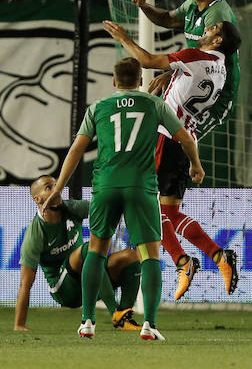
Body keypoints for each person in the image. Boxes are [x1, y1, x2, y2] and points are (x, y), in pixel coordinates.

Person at [43, 57, 205, 341]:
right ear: (141, 81)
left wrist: (58, 188)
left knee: (96, 250)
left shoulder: (98, 108)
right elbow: (185, 138)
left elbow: (76, 150)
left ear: (115, 82)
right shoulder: (155, 105)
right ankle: (149, 325)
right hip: (141, 188)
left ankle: (88, 321)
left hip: (105, 186)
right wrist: (195, 165)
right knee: (150, 254)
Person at [103, 19, 242, 300]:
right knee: (171, 214)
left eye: (213, 29)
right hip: (185, 141)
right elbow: (189, 77)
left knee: (148, 212)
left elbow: (145, 59)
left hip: (164, 139)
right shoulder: (221, 70)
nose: (206, 29)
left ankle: (183, 262)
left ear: (217, 41)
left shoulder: (194, 56)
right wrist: (171, 74)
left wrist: (123, 38)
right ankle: (219, 255)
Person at [14, 176, 143, 332]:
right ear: (37, 199)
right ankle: (115, 311)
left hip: (89, 277)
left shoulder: (71, 208)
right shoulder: (35, 233)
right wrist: (19, 325)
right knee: (90, 249)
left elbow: (103, 209)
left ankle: (124, 318)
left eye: (57, 185)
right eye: (49, 187)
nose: (57, 189)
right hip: (65, 290)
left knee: (131, 257)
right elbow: (24, 284)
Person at [130, 0, 240, 139]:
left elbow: (208, 61)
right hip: (193, 82)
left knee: (180, 143)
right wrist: (144, 6)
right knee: (167, 143)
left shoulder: (217, 15)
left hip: (215, 95)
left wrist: (175, 70)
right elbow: (167, 19)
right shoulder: (192, 5)